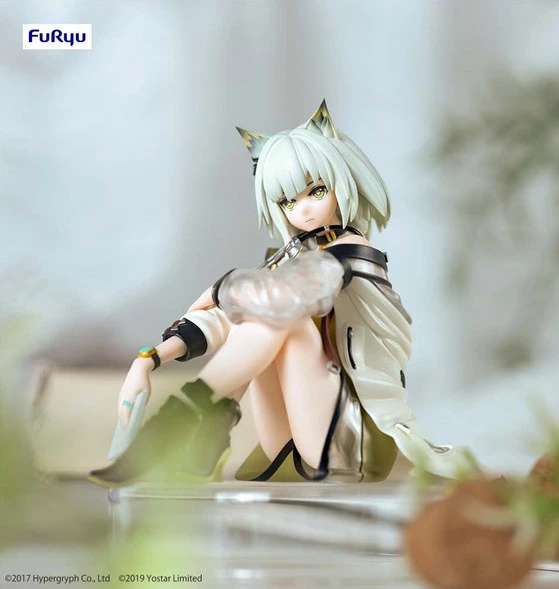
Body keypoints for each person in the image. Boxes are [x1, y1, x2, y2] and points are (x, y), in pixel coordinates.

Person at [89, 100, 472, 488]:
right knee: (264, 315)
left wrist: (222, 288)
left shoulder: (353, 252)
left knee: (286, 319)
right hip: (293, 439)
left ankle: (177, 426)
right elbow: (232, 315)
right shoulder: (290, 263)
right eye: (289, 201)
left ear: (342, 182)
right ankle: (199, 427)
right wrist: (150, 360)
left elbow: (296, 291)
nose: (303, 211)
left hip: (351, 442)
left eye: (316, 191)